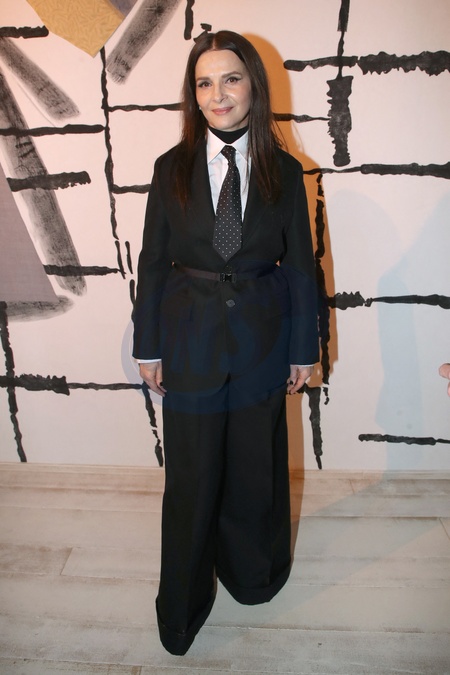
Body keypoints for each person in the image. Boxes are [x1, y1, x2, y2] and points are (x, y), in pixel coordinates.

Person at [133, 30, 319, 655]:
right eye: (204, 82)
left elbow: (302, 267)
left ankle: (253, 576)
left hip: (264, 341)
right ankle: (183, 605)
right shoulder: (170, 168)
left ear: (253, 87)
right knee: (191, 474)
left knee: (254, 466)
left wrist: (303, 348)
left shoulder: (284, 171)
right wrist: (148, 345)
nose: (218, 94)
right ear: (194, 94)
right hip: (188, 342)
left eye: (231, 78)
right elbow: (153, 262)